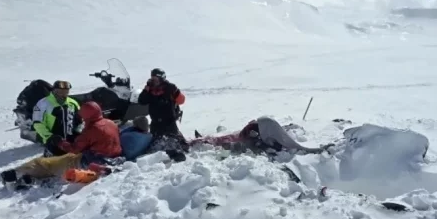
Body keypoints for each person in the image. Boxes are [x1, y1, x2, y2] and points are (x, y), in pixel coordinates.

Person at [1, 102, 122, 189]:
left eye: (83, 115)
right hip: (111, 157)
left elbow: (74, 149)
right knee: (58, 164)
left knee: (45, 163)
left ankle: (14, 174)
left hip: (88, 160)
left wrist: (59, 142)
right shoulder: (110, 123)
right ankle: (33, 179)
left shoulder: (92, 129)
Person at [190, 116, 330, 155]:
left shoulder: (281, 137)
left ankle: (203, 140)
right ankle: (202, 141)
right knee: (230, 139)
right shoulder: (282, 138)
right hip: (257, 127)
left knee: (231, 138)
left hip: (258, 125)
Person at [137, 68, 188, 161]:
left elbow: (181, 101)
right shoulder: (150, 89)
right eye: (153, 78)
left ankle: (177, 153)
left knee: (173, 143)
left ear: (162, 79)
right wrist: (146, 90)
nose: (154, 81)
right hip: (155, 122)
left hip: (169, 122)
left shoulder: (170, 88)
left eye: (156, 79)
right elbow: (141, 101)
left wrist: (176, 92)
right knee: (154, 146)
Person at [32, 80, 83, 156]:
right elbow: (37, 123)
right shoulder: (43, 103)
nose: (63, 94)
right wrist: (50, 137)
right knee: (53, 166)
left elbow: (81, 120)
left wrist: (78, 131)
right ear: (54, 90)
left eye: (66, 91)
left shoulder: (72, 103)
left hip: (71, 142)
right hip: (53, 142)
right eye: (60, 91)